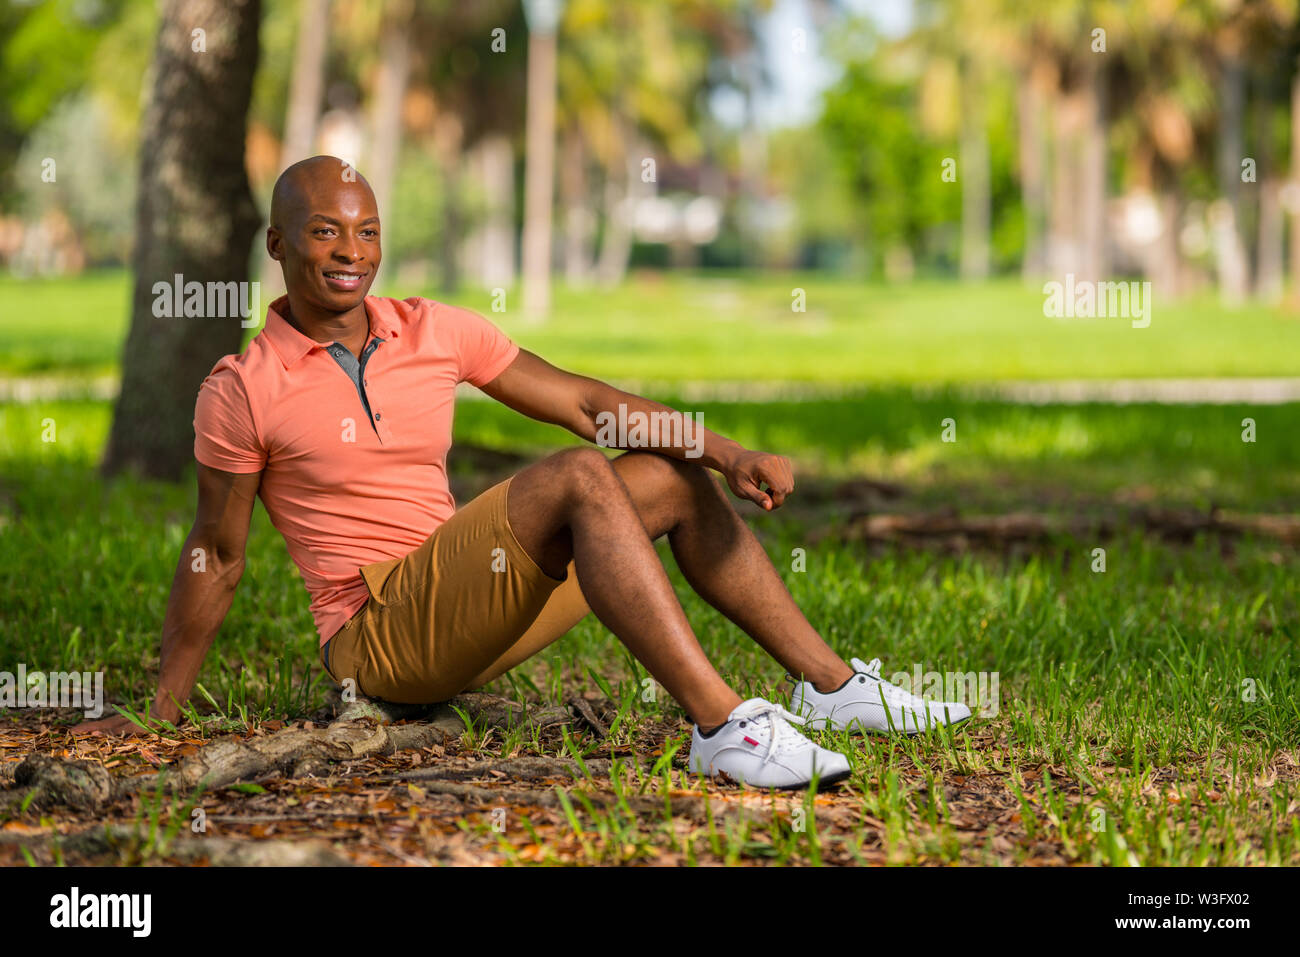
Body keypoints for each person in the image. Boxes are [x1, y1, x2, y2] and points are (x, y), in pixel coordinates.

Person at [75, 156, 970, 790]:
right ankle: (721, 725)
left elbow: (584, 401)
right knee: (583, 477)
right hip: (378, 642)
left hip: (475, 604)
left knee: (664, 476)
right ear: (276, 242)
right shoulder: (242, 388)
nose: (351, 250)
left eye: (368, 231)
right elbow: (217, 554)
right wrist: (160, 710)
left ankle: (838, 690)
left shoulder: (431, 329)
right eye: (325, 231)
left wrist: (726, 452)